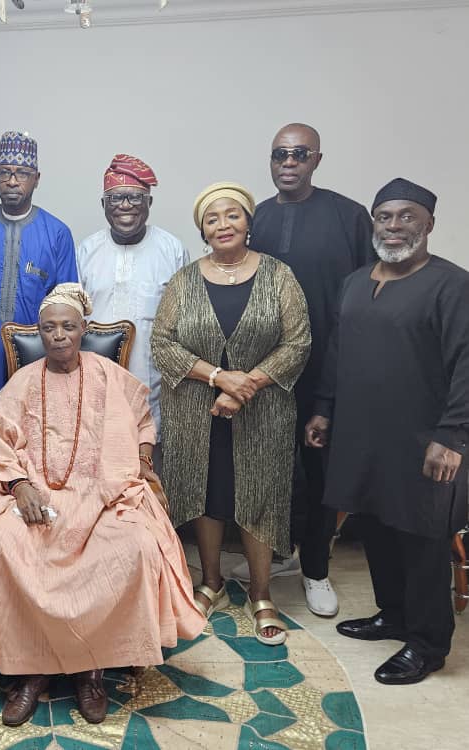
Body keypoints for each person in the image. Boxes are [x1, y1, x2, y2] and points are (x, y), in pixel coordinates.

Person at [0, 283, 205, 727]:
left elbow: (141, 420)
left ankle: (91, 669)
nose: (59, 335)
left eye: (68, 326)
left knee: (133, 543)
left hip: (104, 490)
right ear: (38, 334)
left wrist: (136, 462)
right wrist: (19, 483)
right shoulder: (23, 380)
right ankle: (30, 670)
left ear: (84, 328)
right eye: (49, 328)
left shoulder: (108, 375)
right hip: (34, 493)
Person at [305, 178, 469, 685]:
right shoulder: (355, 282)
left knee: (420, 538)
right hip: (360, 433)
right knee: (372, 525)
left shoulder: (452, 284)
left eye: (406, 217)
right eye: (384, 217)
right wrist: (324, 409)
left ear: (429, 225)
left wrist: (452, 435)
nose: (394, 227)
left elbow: (466, 362)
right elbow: (336, 352)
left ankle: (427, 643)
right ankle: (392, 615)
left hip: (423, 441)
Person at [152, 182, 310, 646]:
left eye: (232, 215)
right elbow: (163, 343)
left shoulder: (280, 275)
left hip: (264, 413)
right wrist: (220, 377)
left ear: (248, 222)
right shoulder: (184, 279)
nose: (223, 225)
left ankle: (262, 594)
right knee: (205, 491)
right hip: (193, 413)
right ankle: (212, 583)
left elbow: (297, 342)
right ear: (202, 229)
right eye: (212, 218)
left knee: (259, 492)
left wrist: (246, 387)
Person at [239, 123, 375, 617]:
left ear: (317, 159)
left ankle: (315, 567)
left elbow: (368, 292)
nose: (288, 163)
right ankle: (274, 556)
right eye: (280, 154)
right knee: (267, 469)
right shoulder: (255, 217)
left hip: (326, 371)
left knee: (319, 472)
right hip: (264, 371)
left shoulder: (349, 217)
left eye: (299, 154)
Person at [76, 154, 189, 472]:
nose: (125, 205)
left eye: (134, 197)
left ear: (149, 202)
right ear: (103, 204)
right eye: (116, 198)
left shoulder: (172, 250)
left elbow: (185, 323)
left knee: (152, 473)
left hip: (155, 384)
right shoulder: (86, 251)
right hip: (97, 382)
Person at [0, 131, 77, 402]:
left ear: (36, 179)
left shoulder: (57, 234)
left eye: (21, 173)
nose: (11, 181)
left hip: (39, 359)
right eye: (4, 172)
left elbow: (69, 309)